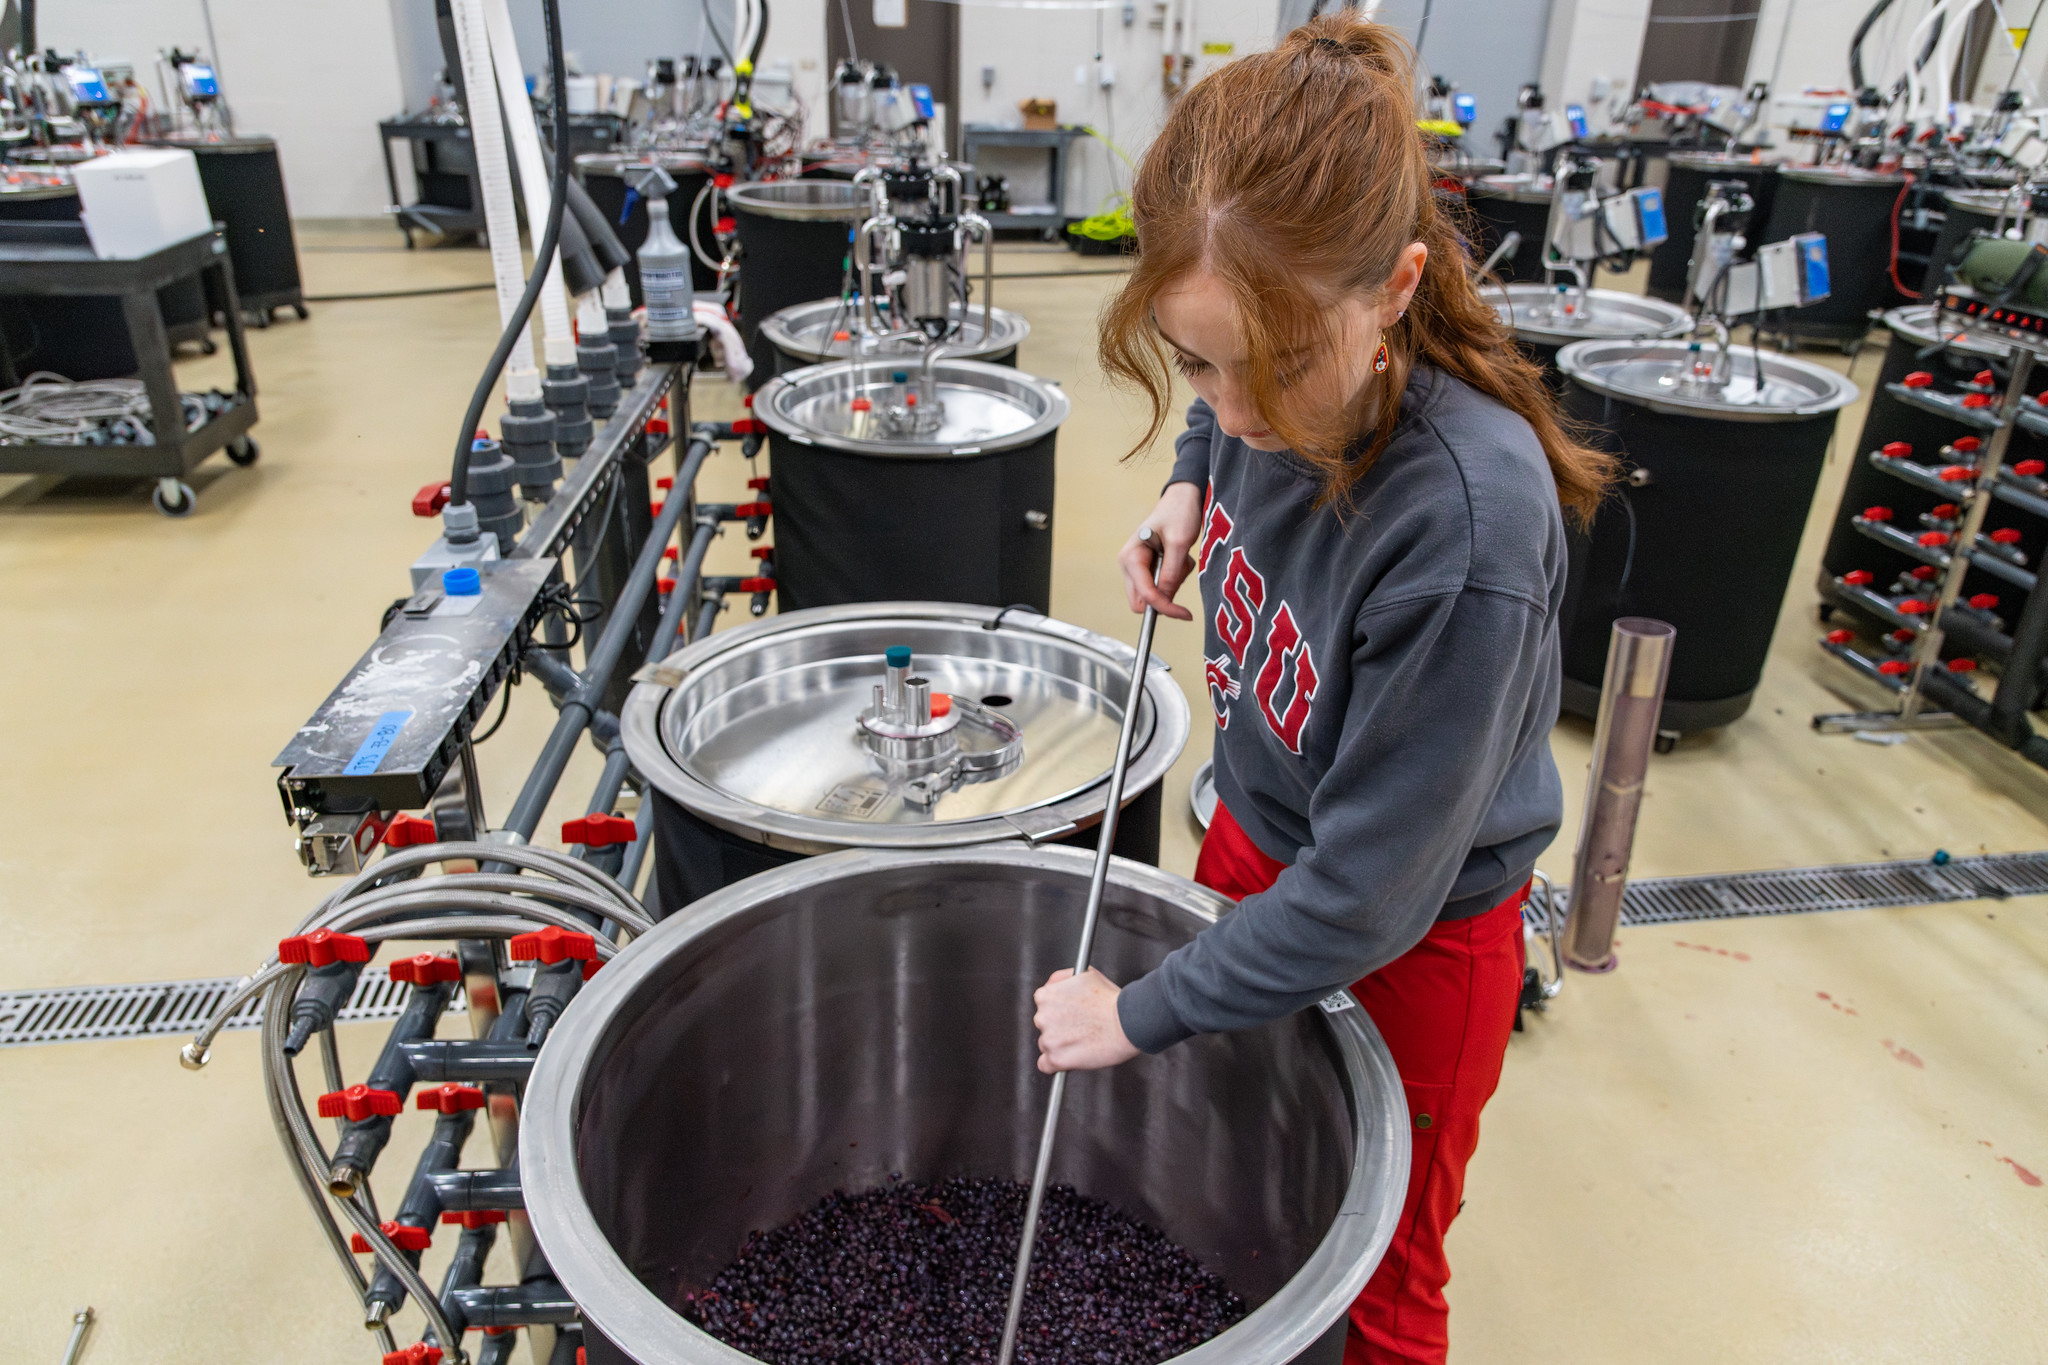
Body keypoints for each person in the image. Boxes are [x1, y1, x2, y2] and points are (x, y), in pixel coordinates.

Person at [1027, 14, 1615, 1365]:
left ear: (1398, 287)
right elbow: (1228, 385)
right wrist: (1190, 478)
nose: (1235, 410)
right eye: (1195, 363)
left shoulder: (1462, 531)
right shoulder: (1262, 384)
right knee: (1236, 1189)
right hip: (1258, 830)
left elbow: (1366, 893)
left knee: (1375, 1280)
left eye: (1274, 368)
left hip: (1415, 935)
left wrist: (1136, 1011)